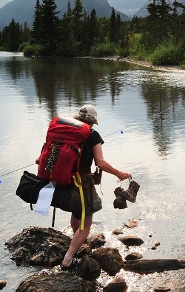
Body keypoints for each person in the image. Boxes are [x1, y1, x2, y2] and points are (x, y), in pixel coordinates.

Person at [56, 104, 131, 269]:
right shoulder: (93, 135)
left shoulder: (67, 130)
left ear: (78, 118)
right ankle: (67, 259)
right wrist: (118, 173)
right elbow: (100, 163)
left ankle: (76, 243)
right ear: (93, 121)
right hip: (81, 183)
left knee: (78, 213)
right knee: (86, 225)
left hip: (64, 180)